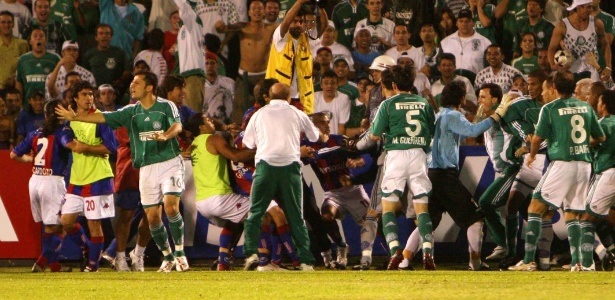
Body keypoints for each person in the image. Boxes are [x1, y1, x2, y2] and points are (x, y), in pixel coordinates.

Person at [55, 71, 190, 273]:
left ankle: (180, 254)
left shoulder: (165, 106)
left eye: (136, 83)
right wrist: (75, 116)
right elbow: (102, 117)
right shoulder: (130, 111)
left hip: (169, 162)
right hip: (145, 167)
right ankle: (168, 257)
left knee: (171, 208)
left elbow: (178, 125)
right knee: (152, 217)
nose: (131, 86)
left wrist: (165, 135)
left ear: (149, 87)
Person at [510, 71, 605, 271]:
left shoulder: (550, 108)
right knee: (573, 213)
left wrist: (533, 155)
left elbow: (536, 139)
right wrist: (584, 146)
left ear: (554, 88)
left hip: (562, 163)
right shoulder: (586, 107)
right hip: (584, 165)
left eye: (546, 88)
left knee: (535, 207)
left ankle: (528, 261)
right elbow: (600, 137)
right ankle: (579, 263)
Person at [427, 80, 511, 271]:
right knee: (476, 218)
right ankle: (475, 262)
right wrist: (495, 116)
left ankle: (404, 258)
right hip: (444, 175)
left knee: (429, 222)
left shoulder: (440, 114)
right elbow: (472, 132)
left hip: (432, 173)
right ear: (461, 98)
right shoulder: (453, 115)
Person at [242, 82, 321, 271]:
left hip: (265, 167)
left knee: (255, 212)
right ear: (289, 97)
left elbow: (247, 143)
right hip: (290, 169)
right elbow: (315, 137)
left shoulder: (258, 114)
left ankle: (251, 254)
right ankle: (306, 261)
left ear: (269, 96)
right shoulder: (296, 113)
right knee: (296, 216)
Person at [369, 65, 436, 270]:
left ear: (394, 85)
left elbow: (373, 135)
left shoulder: (387, 104)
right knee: (421, 208)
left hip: (396, 155)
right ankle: (427, 252)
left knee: (388, 207)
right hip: (418, 155)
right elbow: (432, 131)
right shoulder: (424, 103)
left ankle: (395, 249)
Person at [10, 100, 75, 273]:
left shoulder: (35, 133)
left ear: (45, 115)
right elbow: (70, 145)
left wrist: (30, 159)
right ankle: (42, 262)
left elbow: (13, 155)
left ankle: (53, 265)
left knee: (51, 226)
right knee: (63, 223)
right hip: (52, 181)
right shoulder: (63, 131)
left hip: (35, 180)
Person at [60, 81, 117, 272]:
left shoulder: (100, 120)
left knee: (94, 223)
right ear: (75, 98)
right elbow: (66, 140)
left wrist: (86, 148)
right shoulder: (71, 120)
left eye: (91, 94)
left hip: (98, 177)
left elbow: (110, 148)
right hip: (77, 179)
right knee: (66, 222)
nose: (89, 98)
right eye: (84, 94)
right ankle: (87, 248)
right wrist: (82, 146)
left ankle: (93, 266)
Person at [187, 114, 256, 271]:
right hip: (219, 198)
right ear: (201, 127)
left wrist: (226, 129)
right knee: (264, 209)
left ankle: (223, 261)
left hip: (202, 203)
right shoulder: (213, 139)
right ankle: (257, 257)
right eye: (208, 120)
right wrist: (262, 150)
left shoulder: (195, 143)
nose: (212, 121)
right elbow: (235, 156)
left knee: (236, 222)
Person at [265, 0, 328, 114]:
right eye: (294, 21)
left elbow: (323, 26)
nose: (298, 24)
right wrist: (299, 2)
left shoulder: (307, 39)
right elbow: (285, 23)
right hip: (280, 96)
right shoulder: (280, 38)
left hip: (301, 97)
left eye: (300, 22)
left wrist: (321, 6)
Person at [579, 89, 615, 271]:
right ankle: (610, 253)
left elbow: (591, 141)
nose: (598, 105)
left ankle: (586, 265)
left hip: (609, 174)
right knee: (604, 218)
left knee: (586, 218)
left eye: (600, 101)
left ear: (604, 105)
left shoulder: (606, 123)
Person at [230, 0, 277, 124]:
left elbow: (287, 25)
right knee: (239, 112)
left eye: (260, 8)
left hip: (263, 76)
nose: (257, 10)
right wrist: (221, 27)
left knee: (265, 109)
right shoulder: (241, 28)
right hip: (243, 76)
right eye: (254, 8)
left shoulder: (272, 28)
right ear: (249, 12)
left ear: (264, 12)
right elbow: (223, 30)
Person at [548, 0, 611, 82]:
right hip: (570, 73)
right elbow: (552, 48)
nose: (591, 10)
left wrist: (608, 67)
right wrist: (553, 66)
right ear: (579, 7)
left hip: (592, 72)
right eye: (588, 7)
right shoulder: (562, 26)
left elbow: (605, 45)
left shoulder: (597, 23)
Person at [440, 8, 491, 83]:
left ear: (473, 23)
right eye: (461, 21)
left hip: (476, 84)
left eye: (467, 21)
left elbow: (489, 67)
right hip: (451, 84)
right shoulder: (445, 42)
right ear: (456, 23)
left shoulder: (485, 42)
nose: (464, 23)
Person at [15, 27, 60, 108]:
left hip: (49, 107)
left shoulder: (55, 59)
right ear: (30, 41)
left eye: (41, 36)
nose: (38, 38)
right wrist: (20, 104)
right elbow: (19, 83)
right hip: (27, 107)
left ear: (45, 41)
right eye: (35, 36)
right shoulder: (22, 60)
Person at [0, 10, 28, 89]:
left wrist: (16, 78)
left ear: (13, 24)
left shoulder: (23, 44)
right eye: (3, 22)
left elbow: (26, 67)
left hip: (16, 89)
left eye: (9, 22)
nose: (6, 25)